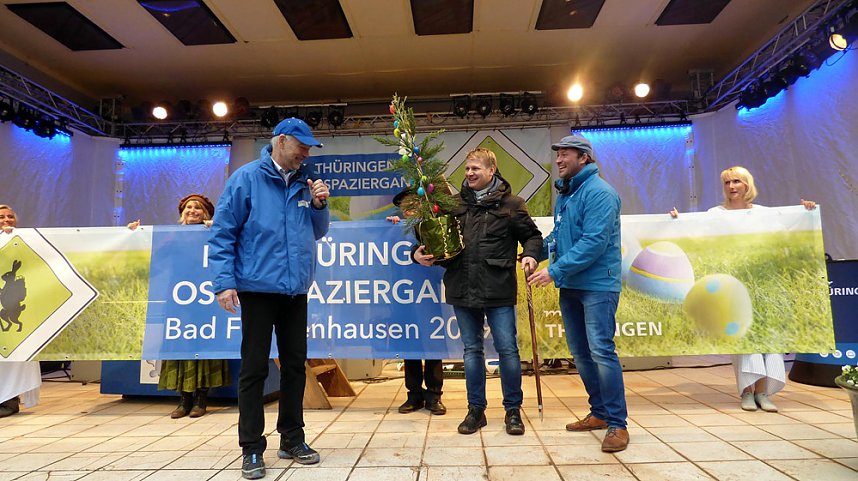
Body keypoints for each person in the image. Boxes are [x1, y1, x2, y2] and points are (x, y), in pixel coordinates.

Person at [208, 118, 329, 480]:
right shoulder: (246, 179)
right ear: (280, 141)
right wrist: (223, 282)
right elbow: (223, 233)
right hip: (257, 288)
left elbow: (318, 232)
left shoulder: (307, 182)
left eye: (309, 148)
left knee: (295, 365)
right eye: (301, 146)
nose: (306, 153)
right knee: (255, 368)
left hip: (295, 289)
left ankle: (292, 438)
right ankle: (251, 448)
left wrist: (321, 205)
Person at [414, 148, 542, 436]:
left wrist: (531, 255)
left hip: (499, 289)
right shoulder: (454, 204)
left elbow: (533, 236)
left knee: (508, 350)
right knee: (472, 351)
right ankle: (476, 411)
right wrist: (417, 253)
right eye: (467, 169)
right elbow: (432, 236)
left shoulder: (513, 205)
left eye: (475, 169)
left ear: (491, 171)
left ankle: (512, 411)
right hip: (462, 286)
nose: (469, 173)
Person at [670, 166, 816, 413]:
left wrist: (806, 211)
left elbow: (789, 231)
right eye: (727, 183)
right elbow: (694, 232)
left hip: (766, 284)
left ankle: (763, 392)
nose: (731, 187)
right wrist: (676, 219)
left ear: (747, 184)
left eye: (736, 181)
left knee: (768, 337)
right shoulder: (715, 214)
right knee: (744, 337)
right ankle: (747, 392)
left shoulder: (764, 214)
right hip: (733, 284)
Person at [527, 135, 629, 453]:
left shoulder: (600, 193)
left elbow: (594, 242)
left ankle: (618, 424)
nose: (558, 160)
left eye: (565, 155)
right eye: (556, 154)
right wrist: (532, 253)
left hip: (598, 286)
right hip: (571, 286)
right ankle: (599, 413)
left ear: (583, 158)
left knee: (601, 351)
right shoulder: (568, 195)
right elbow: (558, 236)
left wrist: (554, 271)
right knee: (581, 354)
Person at [157, 194, 227, 418]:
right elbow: (156, 255)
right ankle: (184, 399)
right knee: (181, 344)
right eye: (189, 207)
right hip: (180, 297)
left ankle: (201, 399)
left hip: (205, 298)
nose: (192, 211)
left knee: (204, 345)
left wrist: (216, 228)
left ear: (205, 213)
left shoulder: (212, 233)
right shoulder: (173, 236)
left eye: (197, 208)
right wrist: (135, 234)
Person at [387, 189, 445, 416]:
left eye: (412, 202)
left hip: (429, 294)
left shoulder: (432, 226)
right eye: (403, 204)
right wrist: (390, 229)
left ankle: (434, 395)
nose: (407, 207)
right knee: (409, 343)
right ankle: (413, 395)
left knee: (432, 344)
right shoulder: (396, 228)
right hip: (404, 296)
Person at [0, 204, 42, 419]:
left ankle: (9, 399)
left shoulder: (26, 242)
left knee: (13, 355)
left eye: (10, 217)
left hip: (13, 304)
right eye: (1, 217)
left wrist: (128, 234)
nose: (7, 220)